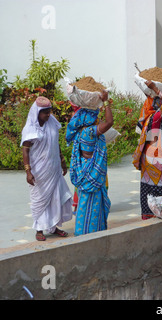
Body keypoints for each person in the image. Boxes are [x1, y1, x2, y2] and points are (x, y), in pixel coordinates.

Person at [21, 96, 73, 241]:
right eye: (45, 112)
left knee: (56, 198)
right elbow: (25, 150)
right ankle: (39, 229)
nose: (48, 115)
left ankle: (54, 227)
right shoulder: (30, 128)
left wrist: (62, 161)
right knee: (40, 200)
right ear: (37, 112)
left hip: (54, 168)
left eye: (49, 111)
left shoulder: (52, 123)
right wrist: (28, 172)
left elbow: (55, 143)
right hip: (40, 171)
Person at [66, 89, 113, 236]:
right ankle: (92, 234)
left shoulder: (80, 132)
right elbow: (110, 122)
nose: (98, 119)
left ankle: (82, 232)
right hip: (93, 175)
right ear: (90, 119)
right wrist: (105, 102)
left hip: (84, 173)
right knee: (94, 207)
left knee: (84, 205)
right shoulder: (91, 132)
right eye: (96, 117)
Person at [132, 80, 162, 219]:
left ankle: (151, 215)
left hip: (148, 158)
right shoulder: (155, 117)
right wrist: (155, 88)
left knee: (150, 187)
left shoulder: (148, 118)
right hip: (156, 158)